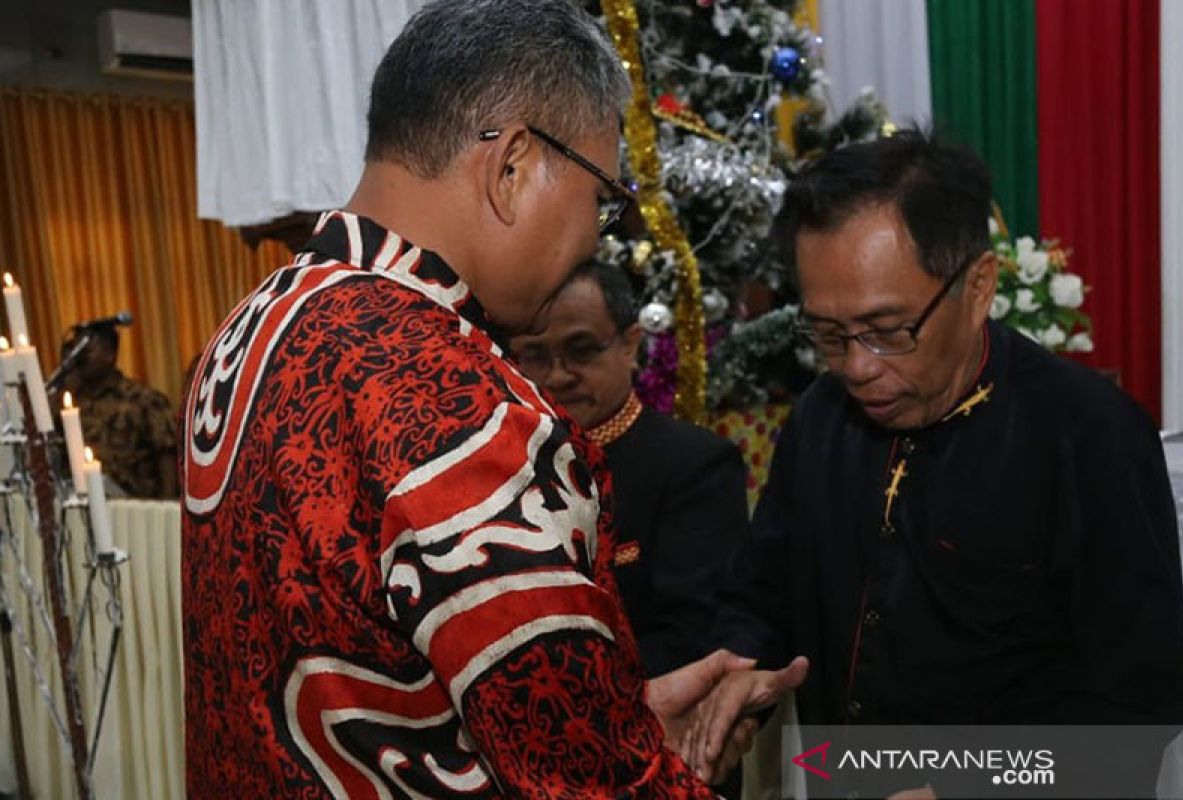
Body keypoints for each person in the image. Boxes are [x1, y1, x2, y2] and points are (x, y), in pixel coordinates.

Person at [180, 2, 801, 796]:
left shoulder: (250, 331)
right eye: (600, 199)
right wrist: (634, 766)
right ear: (511, 167)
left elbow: (358, 672)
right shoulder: (460, 401)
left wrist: (612, 720)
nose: (595, 237)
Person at [690, 130, 1183, 795]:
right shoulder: (819, 418)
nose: (859, 368)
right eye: (829, 334)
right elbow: (762, 590)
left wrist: (962, 788)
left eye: (889, 330)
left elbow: (1140, 708)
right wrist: (741, 673)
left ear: (978, 286)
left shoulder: (1089, 436)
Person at [510, 261, 749, 678]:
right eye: (535, 355)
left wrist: (569, 690)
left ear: (630, 345)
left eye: (581, 349)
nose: (559, 375)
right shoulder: (500, 464)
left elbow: (692, 637)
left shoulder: (694, 465)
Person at [57, 323, 177, 498]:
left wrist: (168, 507)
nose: (80, 358)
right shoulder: (69, 402)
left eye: (87, 351)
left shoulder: (142, 399)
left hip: (133, 506)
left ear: (109, 355)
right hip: (81, 501)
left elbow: (166, 455)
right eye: (77, 352)